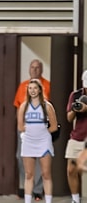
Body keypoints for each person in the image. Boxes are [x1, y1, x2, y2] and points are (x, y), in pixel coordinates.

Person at [13, 59, 50, 200]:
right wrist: (20, 126)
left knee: (41, 157)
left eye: (37, 67)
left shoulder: (47, 85)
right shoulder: (23, 86)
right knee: (21, 156)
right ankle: (26, 186)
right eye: (32, 67)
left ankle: (38, 190)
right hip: (25, 128)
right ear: (29, 69)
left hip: (40, 128)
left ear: (41, 70)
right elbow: (18, 107)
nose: (35, 70)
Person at [17, 79, 58, 203]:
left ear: (40, 90)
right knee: (29, 175)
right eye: (30, 88)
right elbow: (20, 126)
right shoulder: (24, 106)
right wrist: (29, 133)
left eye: (35, 88)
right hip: (28, 142)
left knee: (46, 174)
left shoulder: (47, 105)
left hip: (44, 142)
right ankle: (28, 200)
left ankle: (48, 200)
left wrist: (43, 133)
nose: (32, 91)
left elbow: (54, 126)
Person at [64, 70, 87, 203]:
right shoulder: (76, 95)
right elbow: (68, 118)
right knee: (71, 169)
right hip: (77, 136)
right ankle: (75, 199)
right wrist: (75, 109)